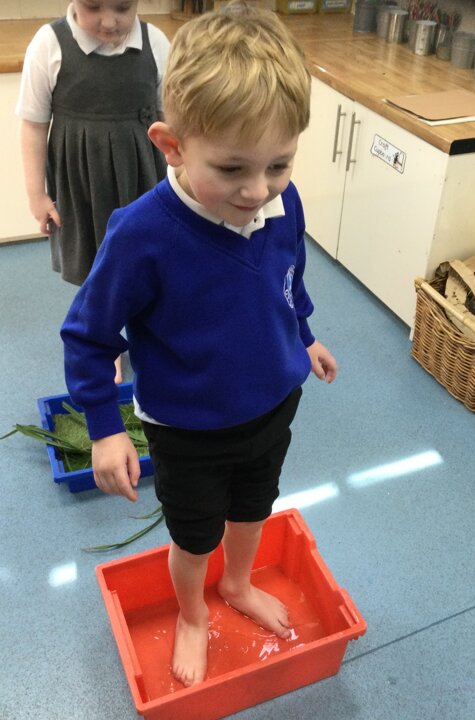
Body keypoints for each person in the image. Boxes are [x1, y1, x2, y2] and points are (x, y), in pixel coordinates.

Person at [61, 0, 337, 688]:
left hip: (273, 405)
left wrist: (304, 335)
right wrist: (104, 429)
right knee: (194, 536)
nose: (258, 189)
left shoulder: (282, 201)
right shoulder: (140, 234)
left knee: (252, 511)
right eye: (233, 168)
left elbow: (288, 277)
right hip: (187, 428)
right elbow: (88, 335)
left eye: (279, 163)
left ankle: (238, 584)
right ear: (173, 145)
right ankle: (192, 612)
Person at [16, 0, 169, 381]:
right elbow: (33, 125)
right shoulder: (49, 44)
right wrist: (37, 195)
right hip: (82, 183)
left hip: (143, 176)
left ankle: (153, 333)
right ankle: (104, 341)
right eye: (93, 7)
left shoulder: (156, 42)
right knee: (96, 267)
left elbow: (171, 115)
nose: (109, 21)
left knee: (150, 260)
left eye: (122, 7)